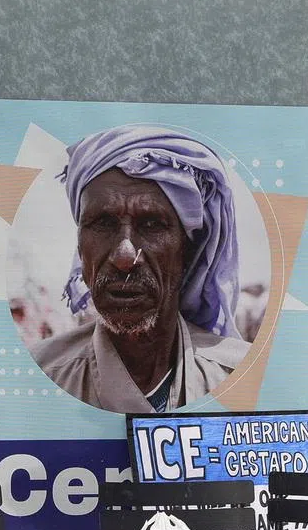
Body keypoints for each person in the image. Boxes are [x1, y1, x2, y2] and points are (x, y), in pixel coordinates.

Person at [32, 125, 249, 413]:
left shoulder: (242, 377)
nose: (124, 257)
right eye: (103, 224)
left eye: (152, 225)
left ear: (187, 250)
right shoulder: (37, 378)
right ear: (80, 247)